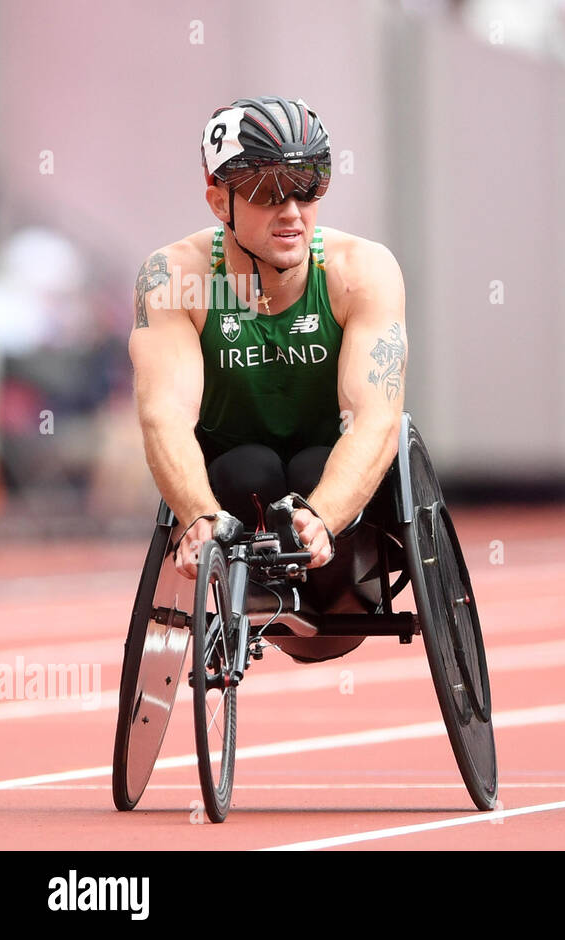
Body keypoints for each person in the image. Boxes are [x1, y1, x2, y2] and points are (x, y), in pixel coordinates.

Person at [129, 96, 408, 656]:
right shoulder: (173, 277)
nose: (291, 210)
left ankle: (330, 591)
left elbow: (377, 419)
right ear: (218, 200)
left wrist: (323, 516)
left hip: (341, 519)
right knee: (248, 467)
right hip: (237, 498)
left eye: (308, 184)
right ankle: (258, 590)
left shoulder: (362, 272)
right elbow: (165, 414)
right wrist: (197, 517)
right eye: (265, 190)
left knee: (311, 468)